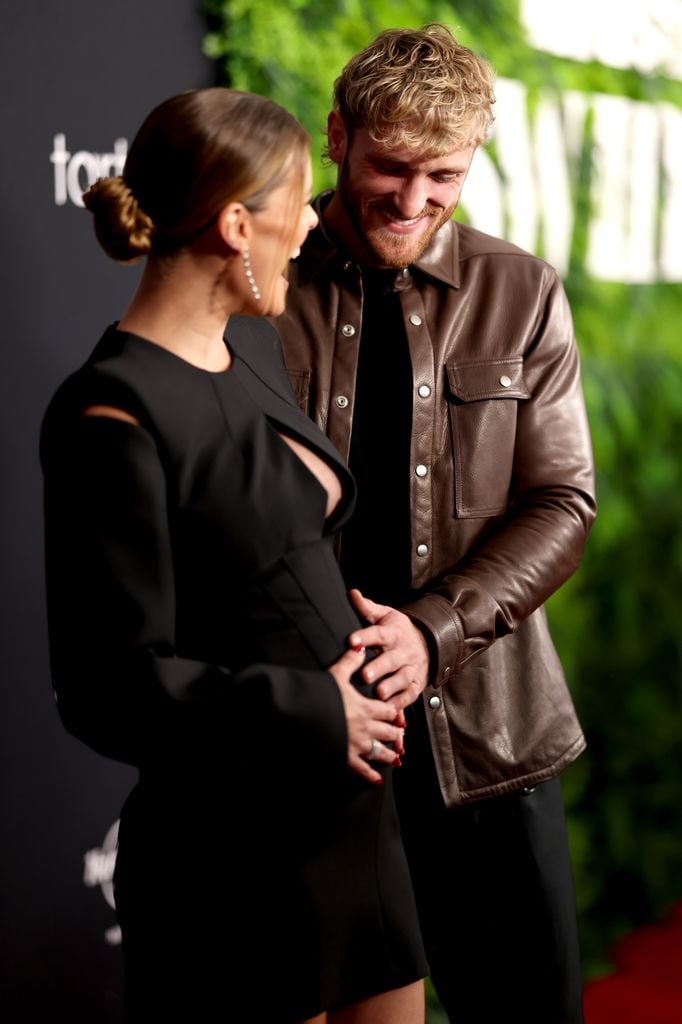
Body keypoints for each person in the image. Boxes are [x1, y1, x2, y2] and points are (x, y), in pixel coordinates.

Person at [40, 88, 428, 1024]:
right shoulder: (110, 412)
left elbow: (282, 555)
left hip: (350, 822)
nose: (305, 230)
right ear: (233, 223)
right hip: (232, 848)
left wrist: (385, 640)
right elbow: (108, 687)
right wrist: (311, 706)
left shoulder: (251, 346)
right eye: (295, 204)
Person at [273, 24, 597, 1024]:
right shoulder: (253, 287)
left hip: (484, 742)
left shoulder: (521, 293)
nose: (413, 203)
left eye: (442, 177)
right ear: (337, 135)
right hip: (306, 733)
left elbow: (562, 504)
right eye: (391, 168)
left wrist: (432, 629)